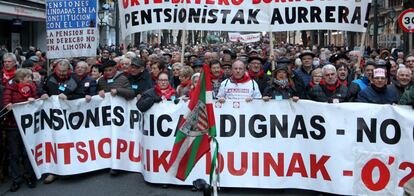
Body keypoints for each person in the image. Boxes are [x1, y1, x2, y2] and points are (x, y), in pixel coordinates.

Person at [3, 68, 37, 191]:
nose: (30, 79)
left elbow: (36, 100)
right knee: (14, 153)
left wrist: (34, 100)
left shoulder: (32, 87)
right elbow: (6, 101)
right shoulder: (10, 88)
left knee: (27, 152)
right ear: (21, 78)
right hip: (13, 126)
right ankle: (16, 179)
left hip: (27, 126)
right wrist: (8, 105)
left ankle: (29, 176)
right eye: (28, 77)